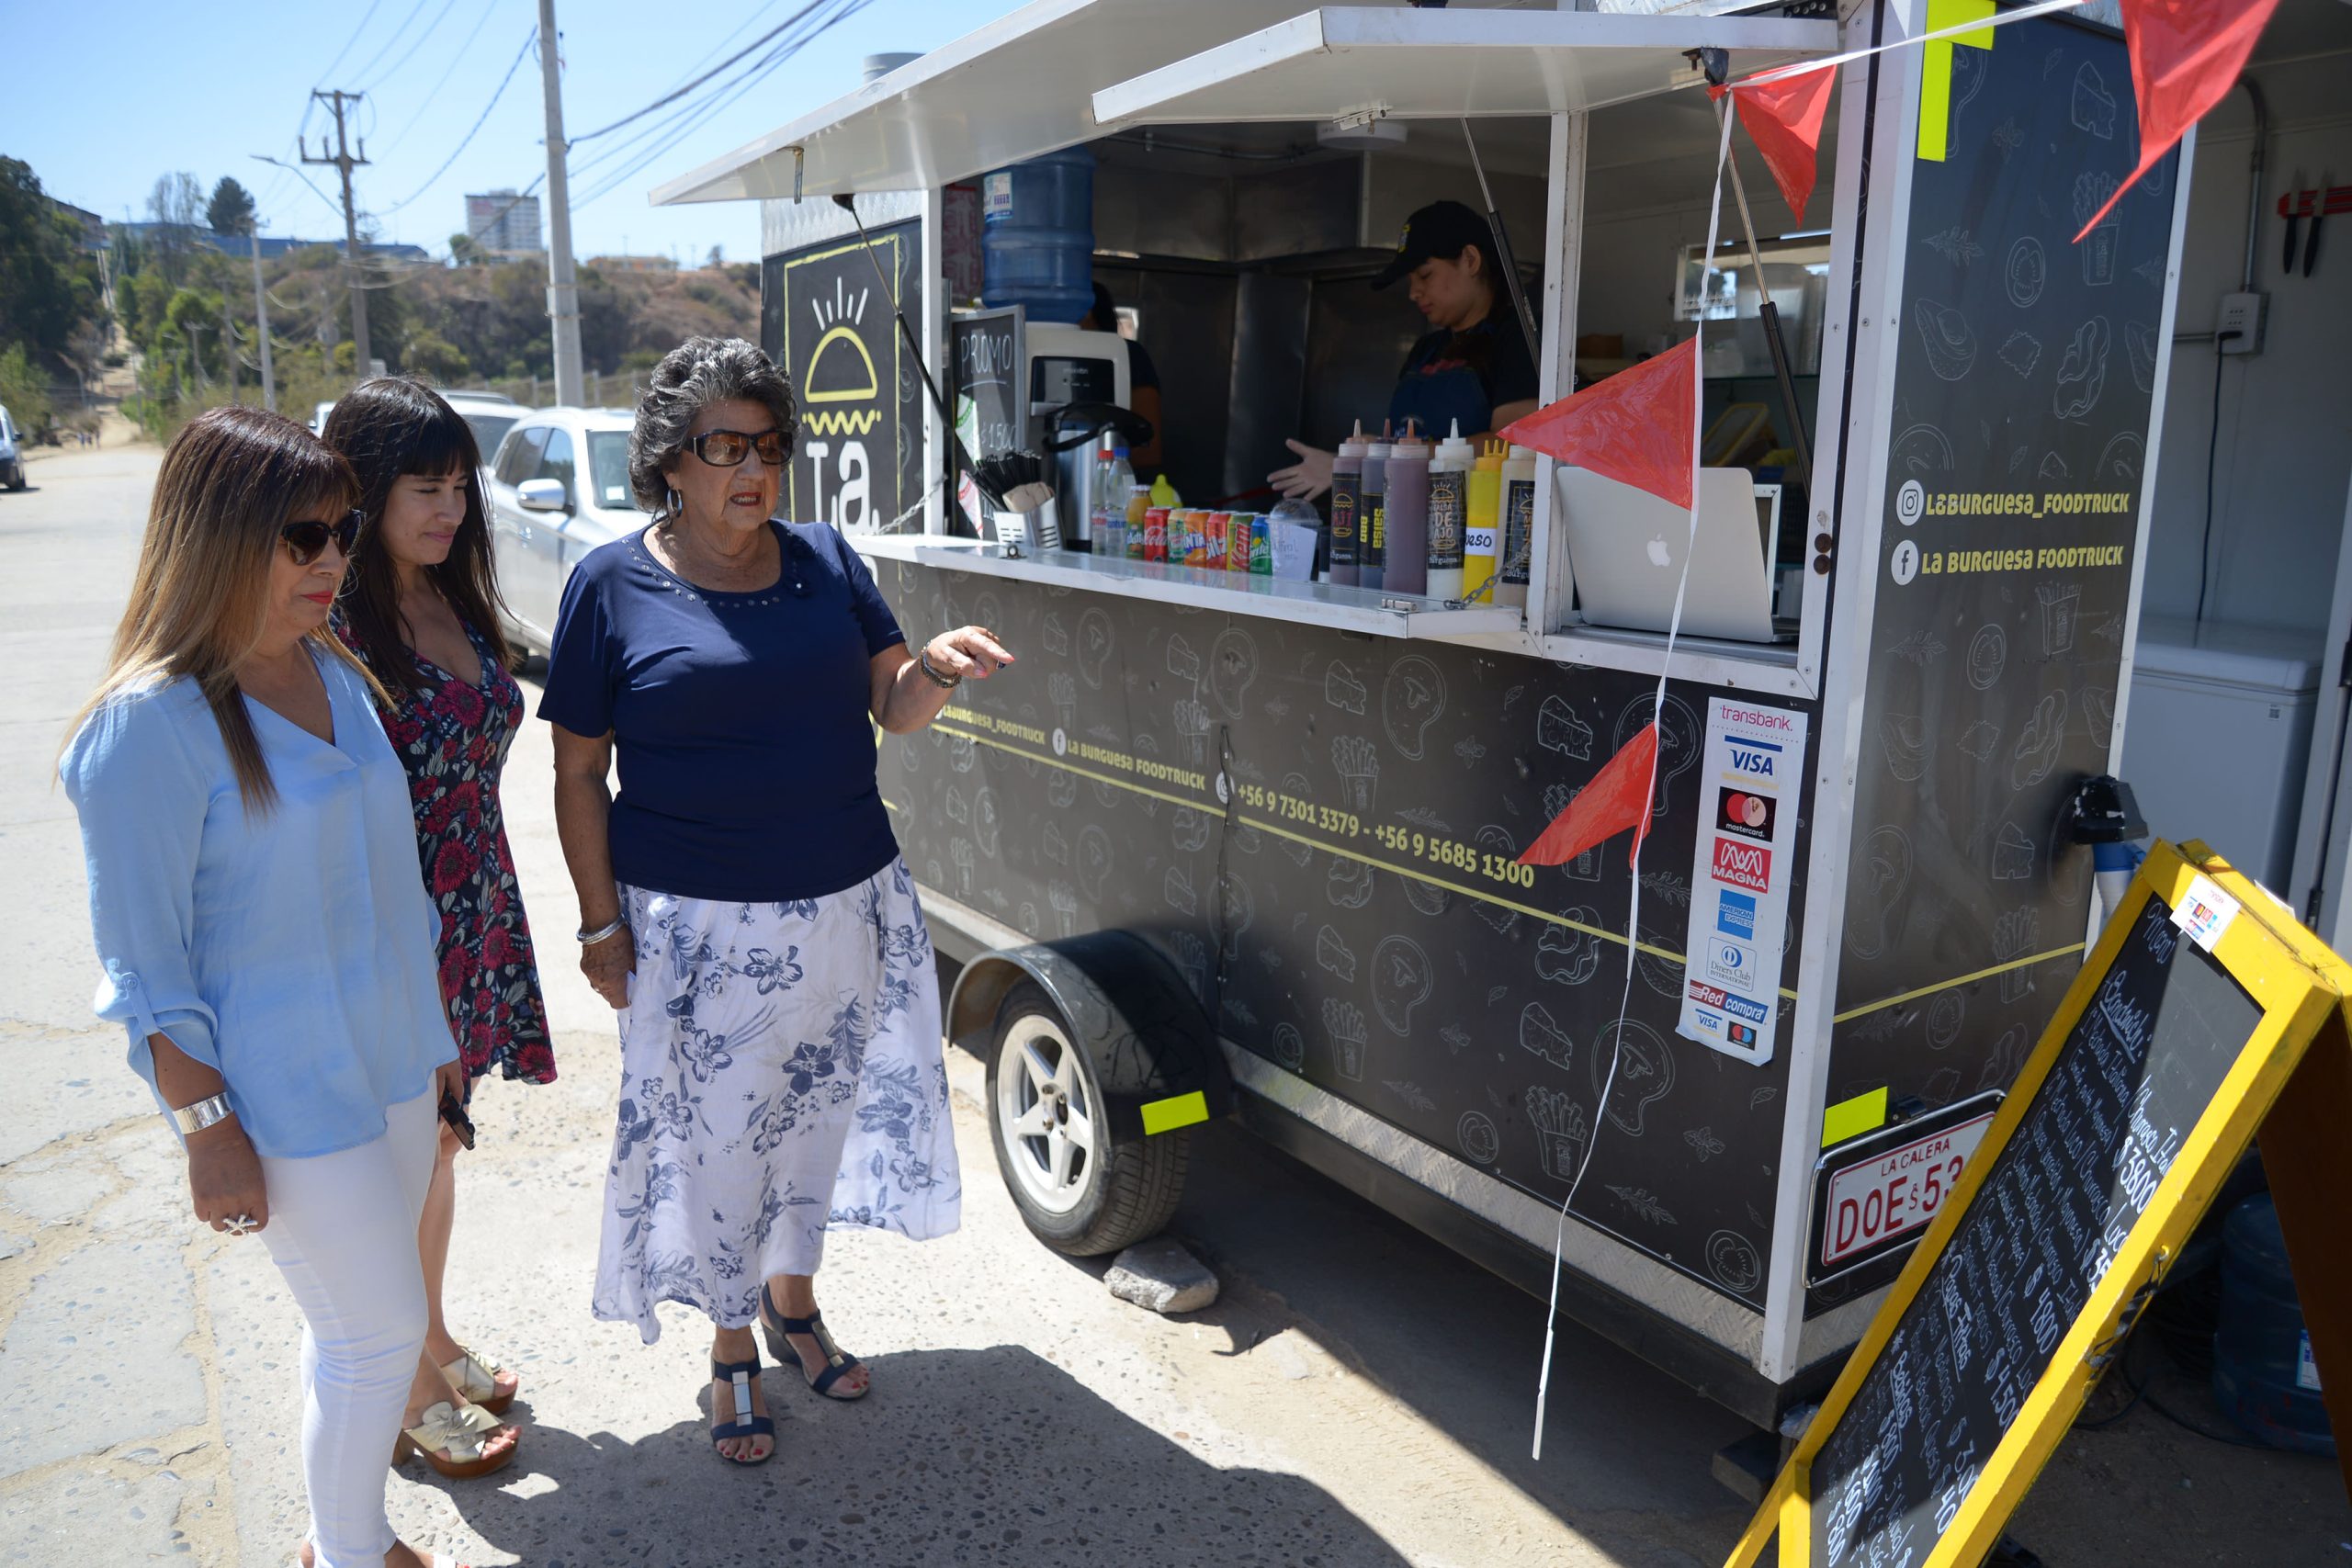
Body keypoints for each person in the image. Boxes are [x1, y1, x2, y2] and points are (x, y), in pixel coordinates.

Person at [537, 336, 1011, 1465]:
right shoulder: (610, 584)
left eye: (768, 447)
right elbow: (573, 775)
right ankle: (732, 1343)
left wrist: (934, 665)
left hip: (845, 903)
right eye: (723, 448)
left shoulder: (823, 561)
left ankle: (793, 1300)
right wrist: (601, 925)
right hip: (697, 931)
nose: (751, 470)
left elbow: (892, 705)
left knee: (814, 1124)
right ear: (671, 461)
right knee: (719, 1146)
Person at [60, 406, 473, 1568]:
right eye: (304, 537)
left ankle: (335, 1538)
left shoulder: (333, 673)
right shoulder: (148, 725)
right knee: (382, 1332)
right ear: (219, 536)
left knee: (353, 1329)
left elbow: (394, 888)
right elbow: (144, 968)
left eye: (342, 531)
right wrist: (204, 1130)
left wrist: (436, 1038)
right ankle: (349, 1553)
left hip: (392, 1058)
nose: (335, 560)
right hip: (280, 1096)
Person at [323, 377, 552, 1480]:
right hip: (396, 929)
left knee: (442, 1150)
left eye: (461, 485)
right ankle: (411, 1389)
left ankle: (433, 1337)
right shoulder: (329, 625)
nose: (452, 507)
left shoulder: (446, 595)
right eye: (426, 486)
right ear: (360, 490)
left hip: (475, 911)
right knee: (405, 1166)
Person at [1271, 199, 1541, 500]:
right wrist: (1355, 460)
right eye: (1411, 281)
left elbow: (1514, 446)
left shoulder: (1518, 338)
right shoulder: (1426, 349)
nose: (1414, 293)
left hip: (1476, 527)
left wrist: (1380, 455)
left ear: (1470, 260)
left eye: (1425, 275)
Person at [1080, 280, 1162, 473]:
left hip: (1118, 484)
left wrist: (1098, 464)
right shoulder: (1055, 356)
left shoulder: (1129, 355)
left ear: (1088, 312)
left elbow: (1150, 449)